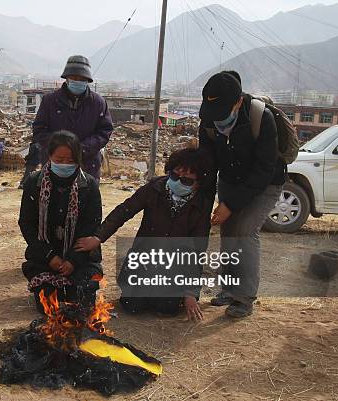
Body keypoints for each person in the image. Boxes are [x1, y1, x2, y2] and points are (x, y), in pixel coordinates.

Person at [74, 148, 213, 321]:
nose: (177, 182)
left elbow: (197, 250)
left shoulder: (201, 205)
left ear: (199, 183)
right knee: (132, 306)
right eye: (175, 176)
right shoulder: (155, 188)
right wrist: (98, 237)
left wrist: (190, 293)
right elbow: (124, 211)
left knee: (166, 309)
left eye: (186, 180)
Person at [198, 71, 285, 318]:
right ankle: (228, 289)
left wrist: (231, 204)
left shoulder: (261, 117)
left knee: (244, 231)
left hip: (265, 182)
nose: (217, 120)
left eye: (223, 112)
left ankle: (244, 297)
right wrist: (204, 200)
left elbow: (264, 170)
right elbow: (207, 162)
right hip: (230, 179)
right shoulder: (207, 120)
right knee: (229, 230)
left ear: (238, 102)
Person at [19, 131, 103, 313]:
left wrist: (72, 260)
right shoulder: (34, 183)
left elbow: (92, 225)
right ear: (50, 156)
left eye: (70, 160)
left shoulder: (88, 186)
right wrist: (49, 256)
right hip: (44, 256)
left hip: (81, 257)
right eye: (60, 159)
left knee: (82, 304)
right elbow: (27, 224)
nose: (65, 164)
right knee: (48, 307)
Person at [32, 55, 113, 183]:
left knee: (85, 200)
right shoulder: (50, 101)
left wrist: (81, 149)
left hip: (87, 165)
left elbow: (105, 131)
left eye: (82, 78)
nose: (78, 81)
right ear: (67, 78)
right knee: (53, 200)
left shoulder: (98, 103)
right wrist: (59, 149)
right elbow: (39, 129)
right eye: (74, 78)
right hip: (56, 165)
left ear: (87, 80)